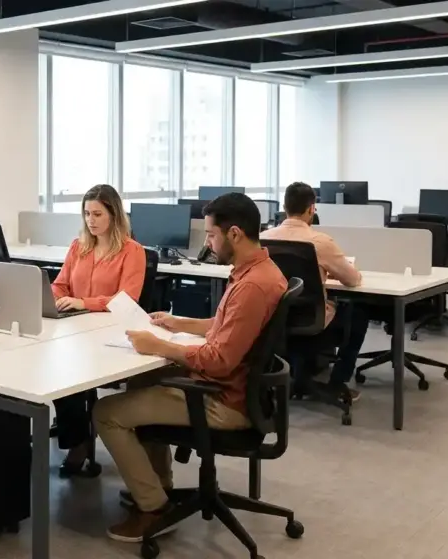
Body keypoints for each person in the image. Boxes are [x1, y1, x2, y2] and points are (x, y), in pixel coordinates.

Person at [92, 193, 287, 543]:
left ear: (235, 234)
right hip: (235, 387)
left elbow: (219, 359)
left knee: (106, 412)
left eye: (212, 235)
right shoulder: (258, 271)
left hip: (224, 401)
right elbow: (225, 324)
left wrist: (159, 346)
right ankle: (157, 486)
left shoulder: (253, 286)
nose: (208, 243)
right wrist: (179, 323)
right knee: (143, 377)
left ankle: (153, 508)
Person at [51, 183, 146, 478]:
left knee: (73, 371)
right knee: (56, 370)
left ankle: (79, 444)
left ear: (114, 215)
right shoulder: (78, 247)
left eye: (97, 214)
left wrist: (84, 302)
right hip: (75, 330)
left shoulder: (132, 251)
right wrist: (55, 298)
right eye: (86, 213)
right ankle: (76, 436)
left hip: (110, 334)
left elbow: (127, 299)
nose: (91, 220)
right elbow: (60, 283)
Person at [261, 181, 365, 399]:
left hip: (274, 316)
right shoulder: (320, 241)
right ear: (311, 209)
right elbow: (352, 280)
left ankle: (289, 374)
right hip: (311, 318)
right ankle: (338, 382)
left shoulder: (264, 238)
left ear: (285, 206)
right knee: (359, 311)